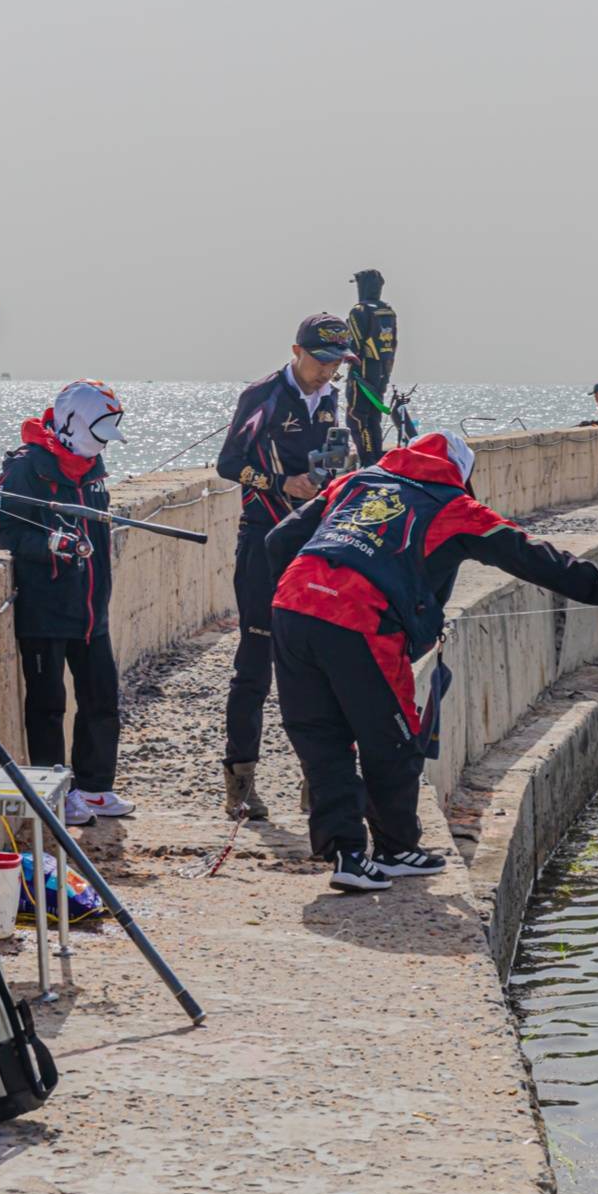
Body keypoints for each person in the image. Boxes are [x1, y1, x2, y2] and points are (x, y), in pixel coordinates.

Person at [265, 429, 598, 891]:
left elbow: (278, 541)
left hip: (292, 607)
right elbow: (537, 559)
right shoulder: (455, 506)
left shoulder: (354, 482)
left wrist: (303, 596)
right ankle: (394, 850)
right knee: (392, 738)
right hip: (361, 620)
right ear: (462, 473)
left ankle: (348, 856)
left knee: (319, 734)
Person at [213, 313, 354, 820]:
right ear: (296, 351)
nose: (327, 373)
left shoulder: (334, 399)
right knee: (255, 662)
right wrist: (281, 482)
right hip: (264, 540)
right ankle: (241, 782)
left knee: (321, 663)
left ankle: (318, 781)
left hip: (314, 540)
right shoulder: (264, 395)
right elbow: (229, 464)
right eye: (320, 362)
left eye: (336, 364)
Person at [0, 380, 132, 826]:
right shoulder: (28, 467)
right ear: (72, 425)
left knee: (101, 699)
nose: (102, 443)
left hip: (91, 613)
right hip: (45, 610)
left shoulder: (93, 463)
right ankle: (54, 792)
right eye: (98, 431)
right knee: (48, 707)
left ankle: (96, 786)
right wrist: (49, 542)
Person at [345, 269, 398, 465]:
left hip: (363, 370)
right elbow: (393, 343)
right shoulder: (388, 311)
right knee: (374, 416)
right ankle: (377, 456)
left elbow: (354, 346)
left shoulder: (359, 311)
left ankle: (367, 459)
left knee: (357, 417)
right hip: (383, 371)